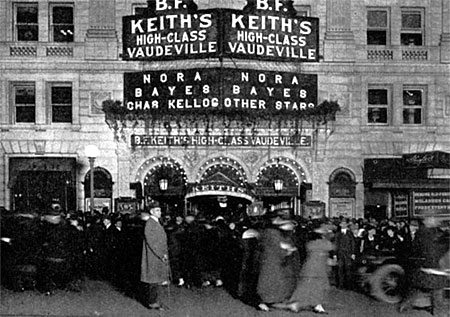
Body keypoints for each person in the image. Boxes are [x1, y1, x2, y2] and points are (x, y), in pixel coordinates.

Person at [398, 216, 450, 313]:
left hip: (424, 270)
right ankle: (439, 313)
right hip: (433, 270)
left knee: (417, 289)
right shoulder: (433, 235)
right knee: (436, 294)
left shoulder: (423, 234)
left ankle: (404, 306)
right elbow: (438, 250)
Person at [256, 215, 301, 312]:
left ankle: (266, 302)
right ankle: (267, 302)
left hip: (272, 263)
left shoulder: (271, 232)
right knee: (271, 283)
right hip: (272, 263)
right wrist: (288, 250)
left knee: (273, 283)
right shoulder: (273, 233)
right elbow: (278, 247)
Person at [292, 221, 335, 314]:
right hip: (316, 266)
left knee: (312, 285)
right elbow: (329, 247)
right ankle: (303, 304)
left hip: (316, 266)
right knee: (314, 285)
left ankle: (313, 304)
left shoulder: (313, 241)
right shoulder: (320, 242)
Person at [140, 202, 169, 311]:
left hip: (157, 256)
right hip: (153, 257)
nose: (160, 212)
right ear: (152, 212)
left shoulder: (156, 222)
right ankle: (153, 303)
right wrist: (161, 255)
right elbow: (152, 242)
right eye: (157, 210)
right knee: (153, 281)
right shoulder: (150, 223)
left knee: (156, 280)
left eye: (160, 210)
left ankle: (155, 301)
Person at [334, 220, 356, 290]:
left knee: (348, 269)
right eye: (342, 224)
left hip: (348, 254)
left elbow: (353, 244)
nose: (343, 225)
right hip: (340, 253)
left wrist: (353, 253)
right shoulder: (338, 234)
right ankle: (341, 285)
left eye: (344, 224)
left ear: (346, 225)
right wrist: (335, 254)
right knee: (340, 270)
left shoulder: (350, 233)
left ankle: (348, 285)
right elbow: (336, 244)